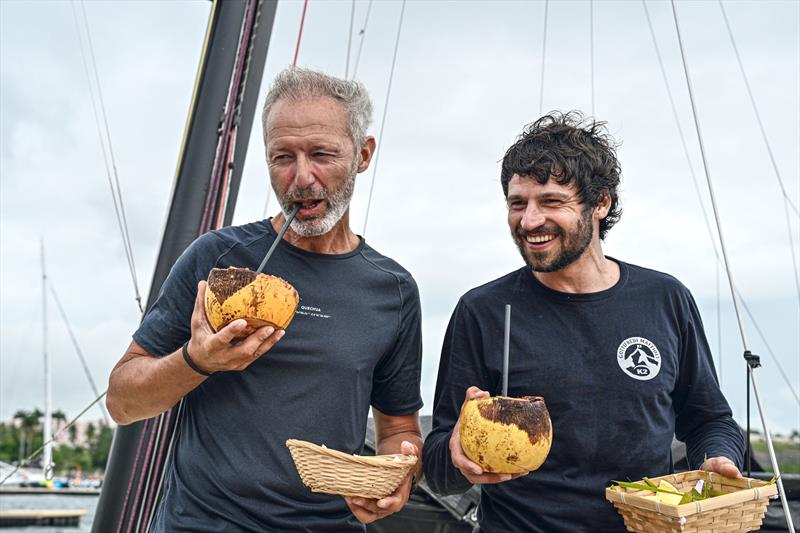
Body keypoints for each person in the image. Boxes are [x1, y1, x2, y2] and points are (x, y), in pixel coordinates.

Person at [106, 67, 423, 532]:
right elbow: (121, 402)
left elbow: (398, 430)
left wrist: (398, 477)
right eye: (282, 157)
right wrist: (197, 361)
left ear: (363, 154)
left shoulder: (393, 289)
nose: (301, 177)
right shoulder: (217, 260)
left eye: (321, 154)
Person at [422, 112, 745, 532]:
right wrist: (455, 451)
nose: (529, 220)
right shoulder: (482, 311)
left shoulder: (665, 299)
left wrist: (718, 458)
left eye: (551, 202)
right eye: (517, 203)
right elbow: (437, 469)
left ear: (601, 203)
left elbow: (708, 418)